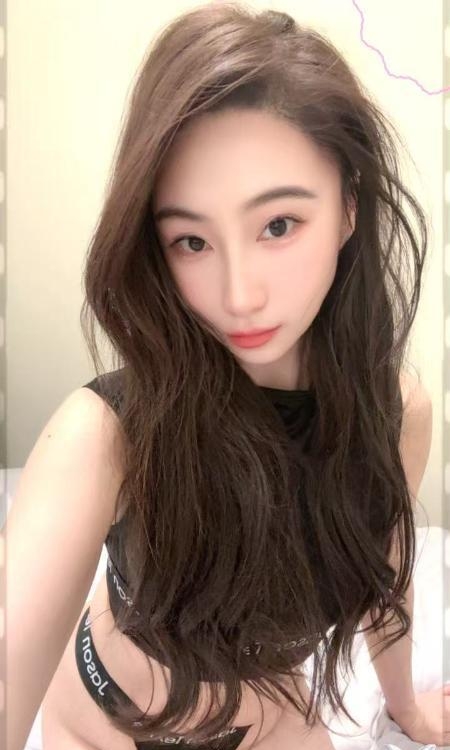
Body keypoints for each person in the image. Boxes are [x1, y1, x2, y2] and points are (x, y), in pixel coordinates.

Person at [6, 2, 448, 749]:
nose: (238, 296)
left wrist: (405, 708)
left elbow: (385, 577)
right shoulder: (106, 433)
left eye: (278, 225)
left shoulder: (394, 414)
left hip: (274, 724)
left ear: (348, 207)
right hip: (100, 720)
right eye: (191, 240)